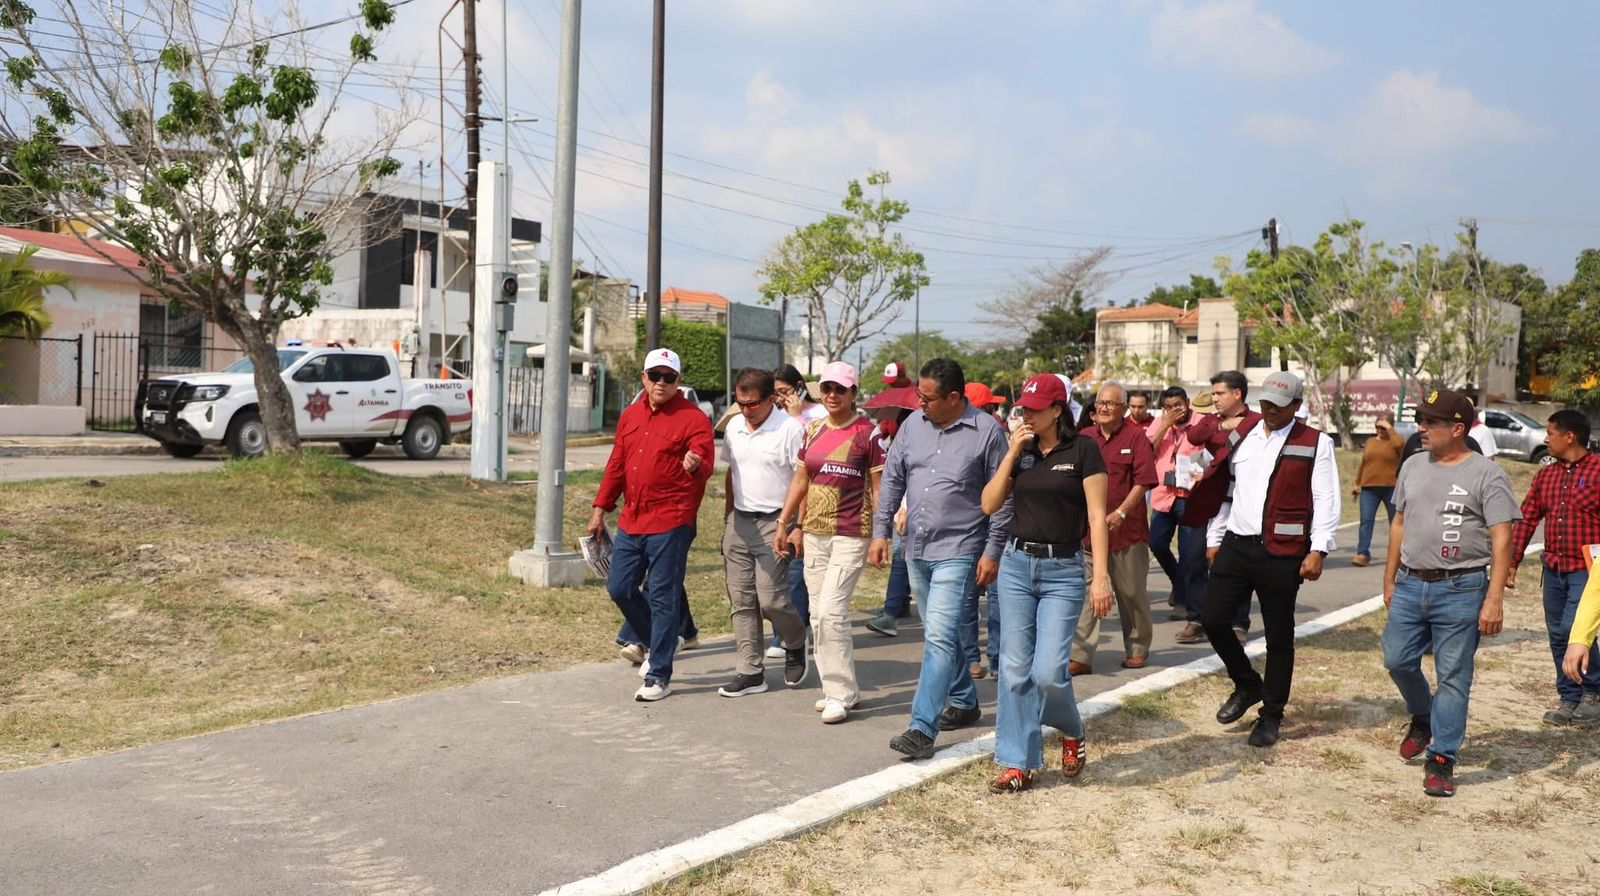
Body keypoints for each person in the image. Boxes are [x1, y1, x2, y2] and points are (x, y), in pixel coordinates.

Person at [978, 373, 1112, 792]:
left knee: (1049, 672)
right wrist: (1011, 452)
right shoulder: (1022, 450)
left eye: (1036, 410)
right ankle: (1018, 763)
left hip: (1064, 570)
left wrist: (1101, 577)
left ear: (1057, 410)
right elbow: (989, 504)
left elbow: (1096, 517)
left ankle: (1071, 728)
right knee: (1014, 669)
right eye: (1024, 409)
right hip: (1017, 566)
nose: (1028, 416)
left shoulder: (1084, 450)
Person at [873, 358, 1013, 760]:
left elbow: (1003, 497)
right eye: (919, 395)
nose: (920, 404)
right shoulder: (911, 427)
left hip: (961, 548)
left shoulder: (987, 432)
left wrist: (992, 551)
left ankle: (921, 727)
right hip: (916, 547)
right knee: (940, 633)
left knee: (937, 636)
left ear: (954, 397)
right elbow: (893, 479)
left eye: (928, 398)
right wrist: (881, 531)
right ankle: (965, 701)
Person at [1382, 389, 1520, 797]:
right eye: (1420, 421)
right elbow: (1399, 523)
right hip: (1411, 582)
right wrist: (1389, 578)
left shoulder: (1486, 474)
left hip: (1462, 587)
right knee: (1397, 659)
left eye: (1430, 422)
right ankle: (1423, 716)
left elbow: (1502, 538)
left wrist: (1494, 598)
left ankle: (1442, 758)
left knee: (1454, 677)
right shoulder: (1412, 464)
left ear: (1457, 429)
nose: (1421, 429)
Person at [1201, 371, 1339, 748]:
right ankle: (1247, 683)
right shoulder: (1243, 435)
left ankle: (1272, 715)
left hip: (1282, 552)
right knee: (1212, 618)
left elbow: (1326, 499)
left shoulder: (1316, 443)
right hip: (1236, 544)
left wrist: (1319, 548)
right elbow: (1226, 487)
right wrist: (1215, 536)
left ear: (1296, 406)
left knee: (1279, 637)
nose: (1270, 411)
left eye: (1279, 406)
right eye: (1265, 404)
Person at [590, 348, 715, 702]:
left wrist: (695, 464)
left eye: (669, 377)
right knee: (620, 588)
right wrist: (600, 508)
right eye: (655, 376)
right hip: (633, 518)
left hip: (672, 520)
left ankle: (659, 674)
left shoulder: (694, 419)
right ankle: (661, 640)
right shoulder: (631, 416)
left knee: (662, 596)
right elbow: (617, 464)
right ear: (644, 378)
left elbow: (705, 462)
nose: (661, 383)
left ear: (678, 380)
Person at [774, 361, 884, 724]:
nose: (833, 395)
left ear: (854, 393)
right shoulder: (813, 430)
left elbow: (879, 488)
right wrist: (788, 523)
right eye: (827, 388)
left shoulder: (869, 434)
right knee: (818, 615)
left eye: (840, 389)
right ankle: (841, 689)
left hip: (852, 532)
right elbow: (801, 481)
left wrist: (881, 534)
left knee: (831, 612)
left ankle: (838, 693)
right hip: (815, 533)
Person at [716, 367, 810, 698]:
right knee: (741, 599)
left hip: (777, 522)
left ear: (771, 399)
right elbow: (732, 473)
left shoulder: (790, 430)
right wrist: (728, 516)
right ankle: (750, 671)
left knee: (771, 599)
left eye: (752, 404)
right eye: (740, 403)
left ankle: (795, 642)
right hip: (740, 521)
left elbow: (804, 482)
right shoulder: (734, 427)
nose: (746, 410)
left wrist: (798, 526)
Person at [1508, 409, 1600, 725]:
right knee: (1557, 634)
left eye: (1550, 433)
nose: (1546, 439)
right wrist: (1512, 560)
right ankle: (1569, 698)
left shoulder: (1598, 473)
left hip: (1587, 571)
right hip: (1554, 568)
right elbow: (1526, 519)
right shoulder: (1546, 475)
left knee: (1574, 629)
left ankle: (1593, 692)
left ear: (1569, 436)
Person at [1070, 382, 1158, 673]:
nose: (1104, 408)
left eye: (1111, 403)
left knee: (1131, 593)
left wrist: (1121, 512)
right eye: (1101, 403)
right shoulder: (1084, 438)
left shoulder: (1136, 437)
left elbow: (1144, 481)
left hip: (1126, 532)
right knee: (1087, 594)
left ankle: (1137, 647)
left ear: (1123, 408)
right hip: (1087, 532)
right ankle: (1081, 655)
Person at [1181, 370, 1261, 643]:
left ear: (1237, 394)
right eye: (1213, 393)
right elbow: (1193, 436)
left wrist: (1235, 428)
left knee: (1237, 564)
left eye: (1219, 393)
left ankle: (1238, 623)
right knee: (1194, 559)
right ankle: (1196, 618)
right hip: (1208, 499)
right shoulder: (1211, 421)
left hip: (1242, 502)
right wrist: (1221, 427)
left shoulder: (1257, 422)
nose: (1214, 398)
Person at [766, 364, 828, 659]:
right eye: (776, 393)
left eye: (785, 391)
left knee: (798, 571)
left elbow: (813, 455)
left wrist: (795, 419)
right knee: (782, 572)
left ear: (800, 387)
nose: (780, 398)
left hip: (816, 502)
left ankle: (791, 635)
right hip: (785, 500)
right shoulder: (775, 417)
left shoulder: (820, 414)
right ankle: (789, 632)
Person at [1148, 386, 1210, 634]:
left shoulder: (1202, 423)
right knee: (1156, 543)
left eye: (1178, 406)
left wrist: (1197, 471)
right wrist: (1165, 425)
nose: (1174, 411)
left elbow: (1211, 453)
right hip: (1163, 495)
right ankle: (1179, 583)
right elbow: (1146, 450)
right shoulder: (1160, 423)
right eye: (1168, 407)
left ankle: (1188, 606)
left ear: (1188, 403)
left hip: (1190, 496)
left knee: (1189, 553)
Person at [961, 380, 1010, 678]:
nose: (995, 412)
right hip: (983, 527)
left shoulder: (993, 434)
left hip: (982, 527)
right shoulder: (995, 435)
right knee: (990, 597)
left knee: (978, 597)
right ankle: (988, 659)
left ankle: (980, 659)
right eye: (991, 407)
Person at [1352, 412, 1405, 567]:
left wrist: (1390, 429)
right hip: (1369, 488)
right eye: (1377, 427)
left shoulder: (1396, 441)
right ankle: (1363, 553)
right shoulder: (1370, 441)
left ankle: (1399, 555)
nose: (1380, 430)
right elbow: (1364, 463)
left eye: (1383, 428)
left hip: (1391, 488)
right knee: (1366, 522)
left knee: (1395, 522)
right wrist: (1357, 483)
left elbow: (1399, 445)